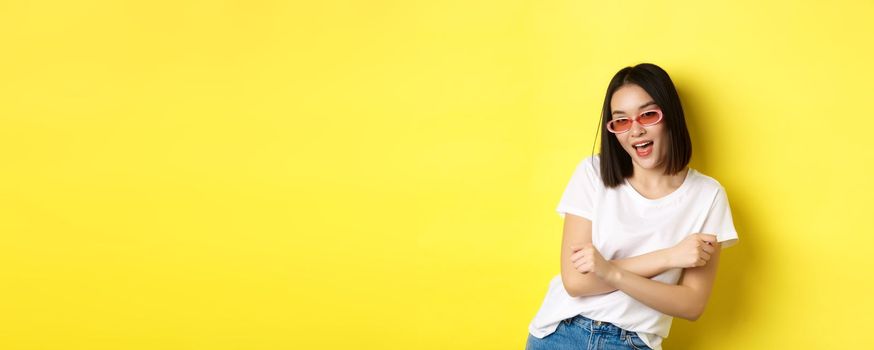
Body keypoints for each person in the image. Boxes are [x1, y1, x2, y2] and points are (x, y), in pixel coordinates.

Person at [525, 63, 739, 350]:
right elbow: (576, 282)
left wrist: (609, 271)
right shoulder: (592, 173)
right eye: (622, 121)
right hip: (561, 333)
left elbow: (691, 304)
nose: (635, 130)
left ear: (670, 116)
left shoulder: (707, 196)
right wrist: (669, 257)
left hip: (631, 343)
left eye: (648, 114)